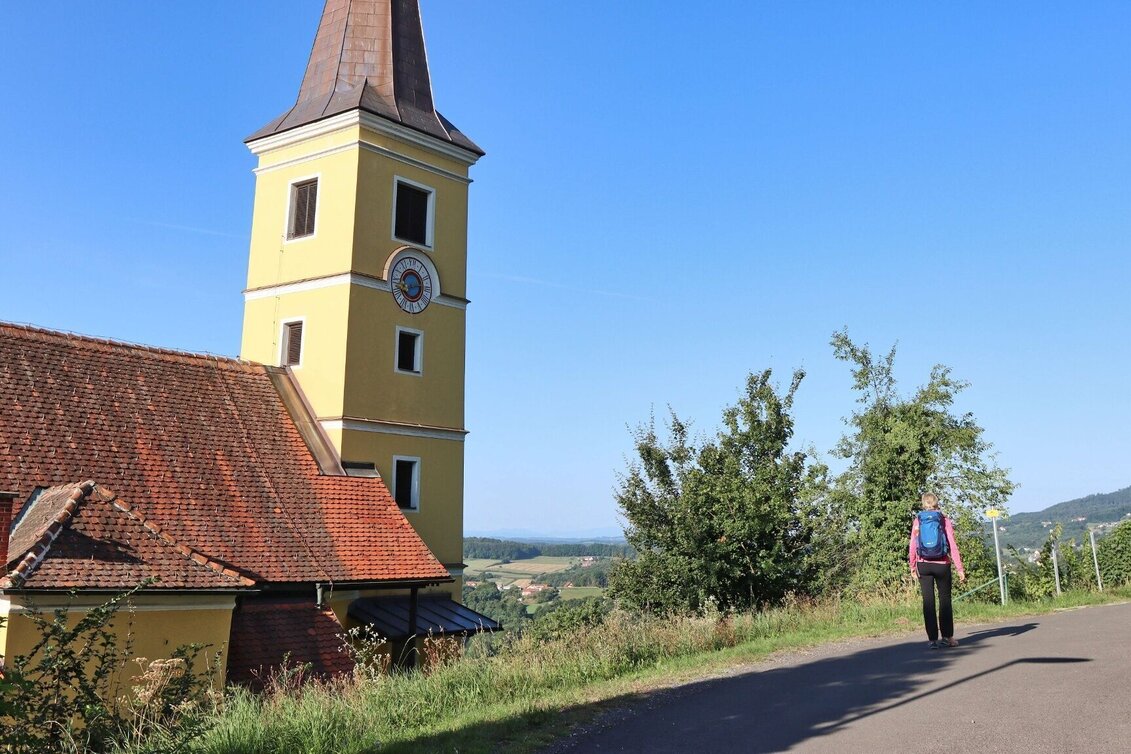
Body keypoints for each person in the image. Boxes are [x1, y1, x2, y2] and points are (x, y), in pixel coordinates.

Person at [909, 492, 965, 648]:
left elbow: (913, 545)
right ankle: (948, 637)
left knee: (928, 603)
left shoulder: (918, 520)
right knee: (945, 601)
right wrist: (959, 567)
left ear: (923, 504)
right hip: (942, 564)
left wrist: (912, 565)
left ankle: (932, 640)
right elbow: (952, 544)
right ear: (936, 503)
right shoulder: (943, 519)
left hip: (923, 565)